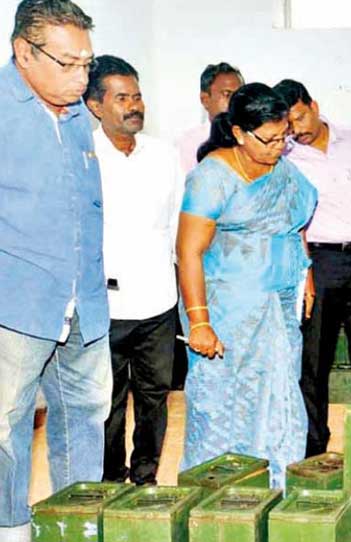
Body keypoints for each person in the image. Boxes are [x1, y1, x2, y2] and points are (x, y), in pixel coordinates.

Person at [0, 2, 111, 540]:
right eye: (68, 64)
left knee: (87, 415)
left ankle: (77, 523)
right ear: (24, 52)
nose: (81, 78)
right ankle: (12, 529)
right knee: (5, 427)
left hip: (82, 304)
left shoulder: (77, 119)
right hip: (15, 304)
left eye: (86, 64)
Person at [177, 82, 317, 488]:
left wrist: (305, 272)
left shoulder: (281, 169)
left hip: (278, 305)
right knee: (223, 403)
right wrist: (199, 322)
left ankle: (276, 489)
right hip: (227, 310)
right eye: (269, 139)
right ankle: (217, 497)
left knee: (278, 398)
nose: (279, 147)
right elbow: (188, 252)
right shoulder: (211, 178)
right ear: (238, 133)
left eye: (284, 136)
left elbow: (292, 223)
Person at [84, 55, 183, 486]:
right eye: (122, 97)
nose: (134, 105)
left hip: (159, 301)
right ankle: (109, 482)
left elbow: (178, 224)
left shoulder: (164, 155)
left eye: (137, 96)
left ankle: (146, 479)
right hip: (105, 306)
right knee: (106, 401)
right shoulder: (85, 159)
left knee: (154, 398)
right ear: (95, 105)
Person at [273, 79, 351, 457]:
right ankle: (315, 449)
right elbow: (291, 221)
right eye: (288, 124)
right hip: (319, 263)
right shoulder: (285, 158)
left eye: (300, 117)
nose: (296, 130)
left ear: (314, 105)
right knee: (314, 363)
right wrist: (306, 274)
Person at [176, 62, 244, 174]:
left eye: (239, 95)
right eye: (227, 94)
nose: (235, 101)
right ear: (205, 99)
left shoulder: (255, 138)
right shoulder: (188, 144)